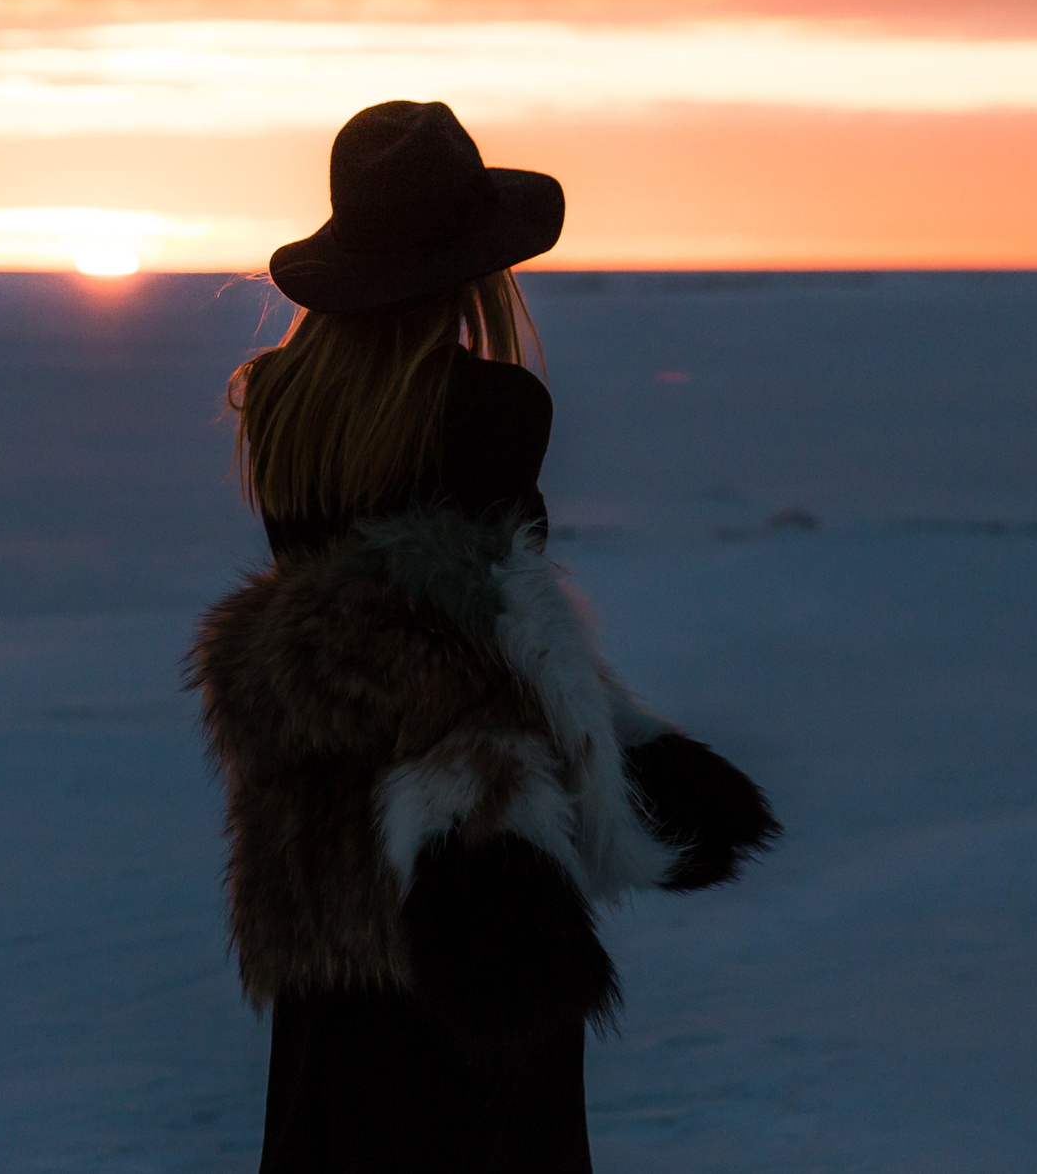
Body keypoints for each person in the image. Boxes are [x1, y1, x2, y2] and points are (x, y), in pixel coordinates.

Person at [187, 100, 780, 1172]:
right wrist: (615, 750)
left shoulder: (282, 407)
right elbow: (499, 633)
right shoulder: (494, 412)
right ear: (472, 262)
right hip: (474, 880)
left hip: (326, 875)